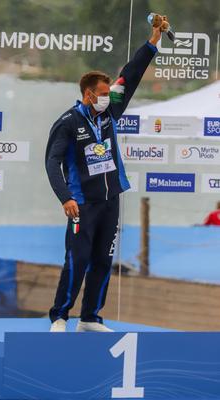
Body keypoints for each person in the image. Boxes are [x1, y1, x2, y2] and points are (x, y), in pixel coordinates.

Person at [45, 24, 162, 332]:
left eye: (109, 94)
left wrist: (153, 41)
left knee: (102, 260)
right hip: (82, 204)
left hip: (111, 201)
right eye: (102, 95)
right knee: (78, 259)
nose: (107, 99)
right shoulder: (67, 123)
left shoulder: (110, 112)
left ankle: (90, 317)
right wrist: (65, 197)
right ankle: (60, 315)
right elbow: (52, 161)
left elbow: (131, 74)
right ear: (88, 94)